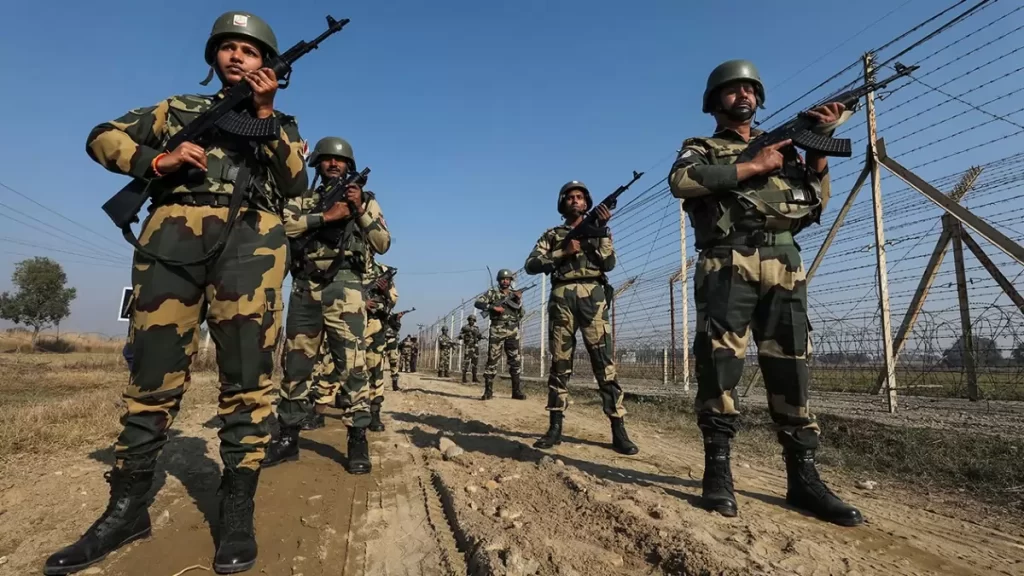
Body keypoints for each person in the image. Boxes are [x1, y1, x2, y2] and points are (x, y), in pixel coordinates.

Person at [45, 12, 308, 575]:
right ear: (214, 58)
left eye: (251, 51)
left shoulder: (280, 122)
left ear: (269, 66)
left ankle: (237, 509)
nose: (238, 57)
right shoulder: (177, 109)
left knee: (247, 379)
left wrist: (263, 115)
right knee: (151, 378)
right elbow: (102, 134)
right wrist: (154, 160)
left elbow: (296, 184)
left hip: (250, 247)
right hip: (170, 241)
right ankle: (128, 508)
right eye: (228, 48)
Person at [668, 59, 861, 526]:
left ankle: (803, 477)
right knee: (720, 363)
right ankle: (718, 471)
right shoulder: (703, 147)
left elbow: (812, 206)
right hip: (726, 261)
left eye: (749, 89)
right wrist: (754, 164)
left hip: (784, 260)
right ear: (715, 101)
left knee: (791, 364)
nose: (743, 96)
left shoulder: (785, 150)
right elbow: (681, 182)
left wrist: (817, 147)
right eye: (732, 91)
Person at [264, 136, 390, 475]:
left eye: (340, 161)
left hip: (345, 286)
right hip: (305, 285)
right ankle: (288, 435)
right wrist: (325, 216)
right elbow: (284, 226)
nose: (333, 165)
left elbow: (382, 243)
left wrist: (359, 210)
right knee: (297, 362)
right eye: (327, 160)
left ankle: (357, 437)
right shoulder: (303, 199)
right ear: (317, 164)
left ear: (349, 166)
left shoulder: (367, 202)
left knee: (352, 364)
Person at [524, 179, 639, 455]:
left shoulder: (600, 230)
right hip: (562, 296)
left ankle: (618, 428)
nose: (575, 200)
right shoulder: (552, 234)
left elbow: (608, 263)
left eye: (580, 197)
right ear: (563, 204)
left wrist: (598, 233)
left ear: (587, 203)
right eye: (570, 197)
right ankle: (554, 427)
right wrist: (564, 250)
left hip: (594, 295)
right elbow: (531, 265)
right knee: (560, 363)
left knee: (604, 364)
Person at [474, 269, 526, 400]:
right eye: (503, 279)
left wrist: (518, 302)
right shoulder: (492, 293)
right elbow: (478, 303)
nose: (505, 281)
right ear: (499, 280)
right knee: (492, 359)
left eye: (508, 279)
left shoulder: (515, 294)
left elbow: (521, 314)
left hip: (513, 330)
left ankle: (516, 391)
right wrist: (493, 307)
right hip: (497, 329)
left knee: (515, 361)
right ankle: (488, 391)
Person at [364, 260, 398, 431]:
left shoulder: (383, 270)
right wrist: (361, 302)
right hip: (348, 323)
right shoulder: (346, 263)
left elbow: (393, 301)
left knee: (375, 371)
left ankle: (374, 412)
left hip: (375, 327)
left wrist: (384, 290)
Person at [459, 315, 483, 383]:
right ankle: (464, 377)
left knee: (475, 362)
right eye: (470, 320)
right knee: (466, 361)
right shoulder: (465, 328)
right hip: (468, 346)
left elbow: (478, 336)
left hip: (475, 346)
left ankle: (474, 377)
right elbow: (460, 336)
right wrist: (466, 335)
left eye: (473, 320)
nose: (471, 321)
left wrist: (480, 337)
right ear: (468, 320)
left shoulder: (476, 328)